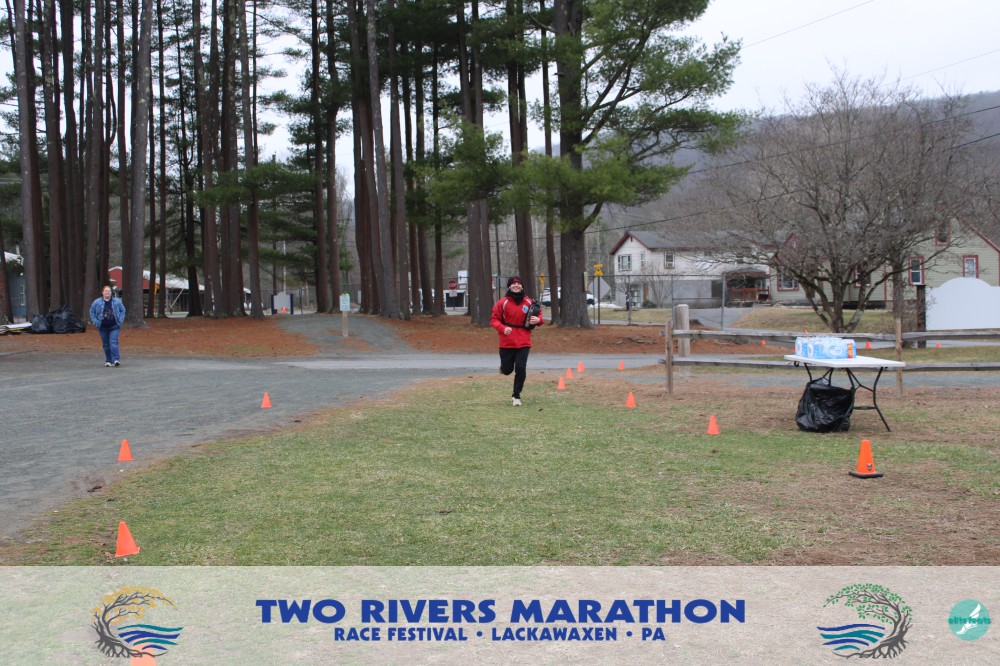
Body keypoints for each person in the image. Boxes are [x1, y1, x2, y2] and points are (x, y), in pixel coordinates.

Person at [490, 276, 543, 406]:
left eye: (519, 283)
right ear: (509, 286)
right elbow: (494, 319)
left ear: (522, 286)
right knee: (507, 370)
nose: (516, 285)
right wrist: (503, 328)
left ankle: (516, 395)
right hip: (507, 341)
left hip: (523, 341)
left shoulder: (529, 302)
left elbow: (539, 314)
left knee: (521, 367)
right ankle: (503, 368)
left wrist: (539, 320)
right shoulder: (502, 303)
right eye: (513, 284)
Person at [89, 285, 126, 367]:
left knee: (113, 342)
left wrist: (120, 321)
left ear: (111, 292)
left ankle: (116, 359)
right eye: (105, 291)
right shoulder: (97, 302)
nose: (107, 293)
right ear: (102, 292)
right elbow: (91, 311)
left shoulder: (117, 301)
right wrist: (95, 321)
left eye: (109, 291)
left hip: (114, 326)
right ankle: (108, 360)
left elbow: (123, 310)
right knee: (106, 344)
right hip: (102, 327)